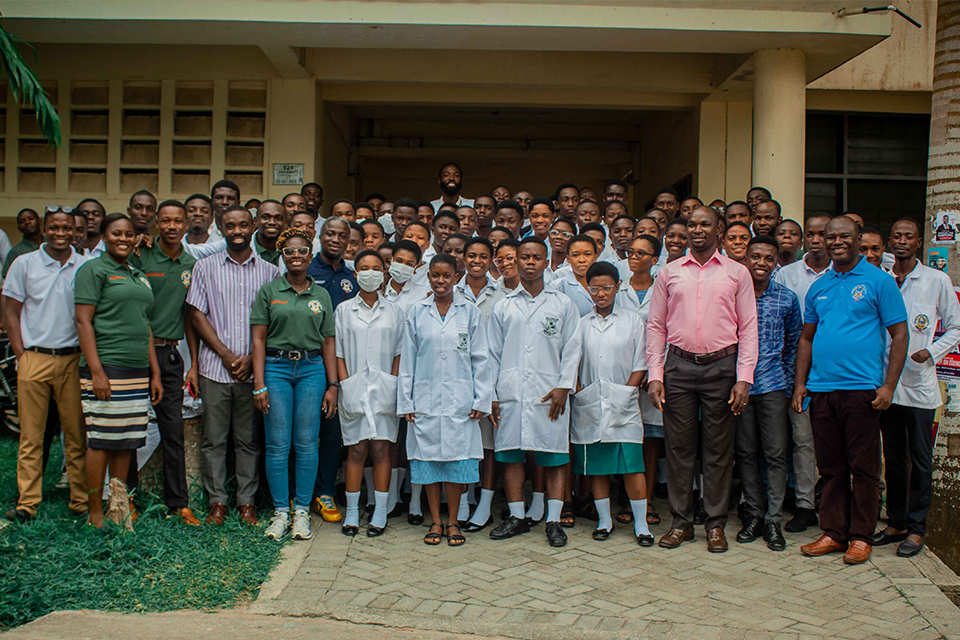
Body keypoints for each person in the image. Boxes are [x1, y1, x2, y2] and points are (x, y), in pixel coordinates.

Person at [794, 215, 909, 564]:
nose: (836, 242)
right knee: (830, 467)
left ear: (859, 239)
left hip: (863, 391)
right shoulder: (820, 287)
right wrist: (801, 384)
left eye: (845, 236)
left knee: (864, 468)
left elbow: (900, 335)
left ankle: (861, 536)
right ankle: (833, 532)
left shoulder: (878, 282)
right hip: (822, 389)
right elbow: (807, 337)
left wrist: (889, 385)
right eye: (831, 237)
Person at [646, 206, 758, 553]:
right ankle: (681, 522)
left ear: (718, 230)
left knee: (718, 450)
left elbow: (749, 328)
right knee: (679, 450)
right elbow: (656, 326)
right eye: (691, 224)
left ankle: (715, 524)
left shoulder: (737, 273)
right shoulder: (669, 272)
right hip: (678, 367)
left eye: (704, 224)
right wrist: (655, 374)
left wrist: (744, 378)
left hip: (722, 369)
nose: (696, 230)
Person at [187, 205, 280, 526]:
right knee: (214, 439)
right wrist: (226, 355)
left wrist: (249, 361)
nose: (237, 231)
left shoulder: (270, 272)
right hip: (215, 367)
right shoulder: (205, 267)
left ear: (253, 226)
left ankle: (246, 503)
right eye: (230, 226)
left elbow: (275, 321)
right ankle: (217, 502)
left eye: (243, 225)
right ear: (221, 228)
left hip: (254, 371)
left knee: (248, 441)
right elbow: (197, 314)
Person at [873, 218, 960, 558]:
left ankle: (917, 529)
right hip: (885, 384)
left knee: (920, 459)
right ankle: (895, 523)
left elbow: (955, 328)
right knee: (892, 457)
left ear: (919, 242)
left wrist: (931, 352)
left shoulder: (936, 280)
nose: (902, 241)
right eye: (897, 236)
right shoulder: (881, 279)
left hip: (920, 386)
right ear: (889, 241)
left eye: (909, 236)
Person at [488, 237, 582, 548]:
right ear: (515, 261)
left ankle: (554, 520)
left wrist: (563, 386)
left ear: (546, 262)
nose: (530, 262)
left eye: (536, 257)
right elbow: (492, 354)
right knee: (511, 455)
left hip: (549, 392)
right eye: (524, 257)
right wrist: (491, 394)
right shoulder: (504, 306)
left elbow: (572, 348)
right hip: (511, 392)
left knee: (553, 456)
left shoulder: (562, 303)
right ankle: (517, 516)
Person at [74, 213, 163, 529]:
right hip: (106, 366)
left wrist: (155, 373)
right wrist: (96, 371)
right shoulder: (93, 270)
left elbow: (146, 323)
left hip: (136, 370)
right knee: (100, 438)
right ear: (104, 236)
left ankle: (119, 505)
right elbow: (83, 321)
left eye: (128, 234)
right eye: (116, 234)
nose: (123, 239)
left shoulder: (137, 274)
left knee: (126, 438)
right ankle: (95, 513)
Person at [398, 254, 491, 546]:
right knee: (429, 463)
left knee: (455, 463)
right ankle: (435, 521)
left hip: (460, 401)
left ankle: (454, 521)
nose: (441, 281)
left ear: (455, 278)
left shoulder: (469, 312)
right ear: (428, 277)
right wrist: (406, 401)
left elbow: (481, 359)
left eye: (446, 276)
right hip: (424, 399)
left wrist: (481, 398)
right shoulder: (416, 312)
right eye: (435, 275)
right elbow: (407, 361)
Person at [251, 228, 338, 541]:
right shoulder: (269, 291)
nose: (296, 256)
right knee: (277, 444)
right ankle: (280, 512)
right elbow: (258, 339)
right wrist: (258, 383)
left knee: (306, 442)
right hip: (276, 368)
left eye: (302, 251)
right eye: (290, 252)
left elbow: (329, 342)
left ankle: (301, 510)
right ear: (281, 256)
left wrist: (333, 385)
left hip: (312, 369)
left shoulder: (321, 294)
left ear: (310, 253)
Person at [2, 209, 88, 523]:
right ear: (44, 228)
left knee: (76, 434)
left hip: (72, 359)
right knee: (31, 436)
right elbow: (10, 312)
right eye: (54, 227)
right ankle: (27, 502)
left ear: (76, 231)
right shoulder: (24, 264)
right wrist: (21, 355)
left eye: (67, 227)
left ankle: (79, 500)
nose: (60, 232)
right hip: (34, 358)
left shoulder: (86, 265)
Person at [128, 200, 201, 526]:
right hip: (133, 353)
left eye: (178, 221)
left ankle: (179, 503)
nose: (172, 227)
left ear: (187, 225)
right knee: (129, 429)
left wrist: (193, 362)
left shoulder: (191, 263)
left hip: (170, 355)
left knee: (173, 431)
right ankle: (125, 497)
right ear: (156, 223)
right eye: (166, 221)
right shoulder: (141, 255)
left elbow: (190, 315)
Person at [572, 261, 652, 545]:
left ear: (618, 286)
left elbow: (641, 363)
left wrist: (626, 394)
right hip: (592, 403)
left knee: (632, 465)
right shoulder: (582, 324)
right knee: (598, 465)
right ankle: (604, 521)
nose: (601, 293)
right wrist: (582, 392)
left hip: (625, 402)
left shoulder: (632, 320)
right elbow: (574, 363)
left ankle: (641, 525)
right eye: (594, 288)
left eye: (606, 287)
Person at [735, 236, 801, 552]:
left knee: (775, 453)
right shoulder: (734, 295)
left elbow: (795, 344)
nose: (761, 263)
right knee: (746, 453)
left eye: (768, 258)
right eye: (756, 257)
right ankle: (753, 515)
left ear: (776, 262)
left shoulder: (786, 299)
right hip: (740, 387)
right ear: (746, 258)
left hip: (774, 386)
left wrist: (788, 385)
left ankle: (774, 520)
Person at [335, 249, 403, 537]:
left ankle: (380, 512)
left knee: (381, 449)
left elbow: (400, 353)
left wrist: (394, 381)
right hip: (353, 387)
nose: (370, 273)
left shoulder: (395, 311)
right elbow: (338, 352)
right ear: (355, 273)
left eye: (376, 267)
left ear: (384, 273)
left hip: (385, 388)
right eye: (364, 267)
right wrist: (345, 383)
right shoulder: (343, 310)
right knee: (356, 449)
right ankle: (351, 513)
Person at [773, 213, 831, 533]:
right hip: (796, 374)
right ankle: (803, 505)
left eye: (823, 233)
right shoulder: (788, 275)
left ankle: (831, 506)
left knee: (831, 444)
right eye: (811, 234)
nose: (817, 239)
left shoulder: (842, 276)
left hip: (835, 373)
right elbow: (782, 329)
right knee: (801, 442)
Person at [305, 217, 358, 523]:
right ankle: (299, 493)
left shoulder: (351, 276)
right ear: (319, 236)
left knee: (332, 433)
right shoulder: (305, 271)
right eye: (330, 234)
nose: (336, 239)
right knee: (302, 433)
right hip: (309, 362)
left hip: (339, 366)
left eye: (343, 236)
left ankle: (325, 492)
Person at [456, 237, 506, 531]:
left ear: (492, 260)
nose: (477, 261)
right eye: (471, 255)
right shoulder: (451, 291)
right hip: (456, 379)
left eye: (483, 256)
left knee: (488, 446)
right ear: (462, 258)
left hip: (491, 379)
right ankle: (462, 502)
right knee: (462, 443)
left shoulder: (501, 295)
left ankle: (484, 506)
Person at [617, 234, 663, 526]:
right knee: (625, 439)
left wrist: (655, 372)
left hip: (652, 377)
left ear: (654, 260)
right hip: (622, 374)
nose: (634, 257)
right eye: (631, 252)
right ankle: (625, 500)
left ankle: (647, 503)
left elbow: (668, 333)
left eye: (641, 253)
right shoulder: (618, 290)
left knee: (650, 442)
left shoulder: (663, 290)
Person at [549, 235, 598, 317]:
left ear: (595, 257)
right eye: (575, 255)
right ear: (568, 258)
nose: (582, 260)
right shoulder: (560, 284)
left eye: (588, 254)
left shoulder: (603, 279)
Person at [3, 208, 42, 277]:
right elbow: (8, 278)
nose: (27, 222)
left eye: (31, 218)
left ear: (40, 221)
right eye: (22, 221)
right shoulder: (15, 252)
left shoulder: (52, 245)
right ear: (19, 228)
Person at [252, 200, 287, 265]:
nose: (272, 222)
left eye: (278, 218)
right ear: (255, 221)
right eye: (265, 217)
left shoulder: (291, 248)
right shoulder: (243, 248)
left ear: (285, 223)